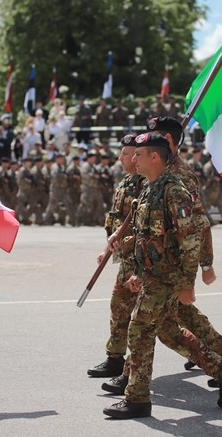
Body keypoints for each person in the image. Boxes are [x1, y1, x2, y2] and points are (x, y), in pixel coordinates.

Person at [102, 133, 222, 419]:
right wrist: (138, 271)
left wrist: (187, 285)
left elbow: (189, 240)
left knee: (140, 330)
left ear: (154, 157)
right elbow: (148, 237)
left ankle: (137, 398)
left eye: (138, 155)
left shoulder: (173, 191)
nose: (133, 160)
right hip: (153, 275)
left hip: (167, 277)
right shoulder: (150, 189)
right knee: (166, 330)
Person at [87, 135, 145, 378]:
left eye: (126, 153)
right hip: (126, 254)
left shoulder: (144, 184)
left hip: (141, 256)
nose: (121, 158)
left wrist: (121, 244)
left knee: (169, 320)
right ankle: (115, 358)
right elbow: (117, 220)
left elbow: (141, 223)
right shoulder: (125, 182)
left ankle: (219, 358)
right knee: (120, 306)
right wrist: (107, 247)